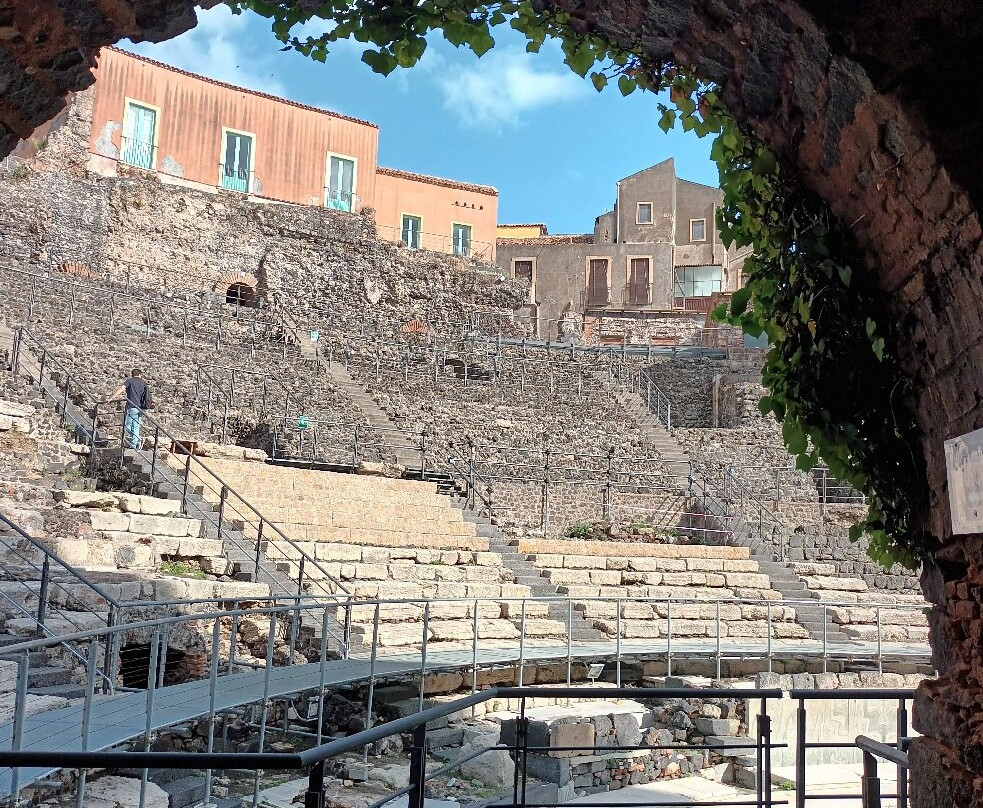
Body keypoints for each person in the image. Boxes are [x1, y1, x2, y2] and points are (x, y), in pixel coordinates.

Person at [110, 369, 152, 450]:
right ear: (140, 375)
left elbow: (121, 389)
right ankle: (134, 444)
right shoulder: (143, 382)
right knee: (136, 425)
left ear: (132, 374)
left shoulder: (129, 381)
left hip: (132, 406)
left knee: (127, 425)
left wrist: (112, 398)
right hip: (141, 407)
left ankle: (137, 439)